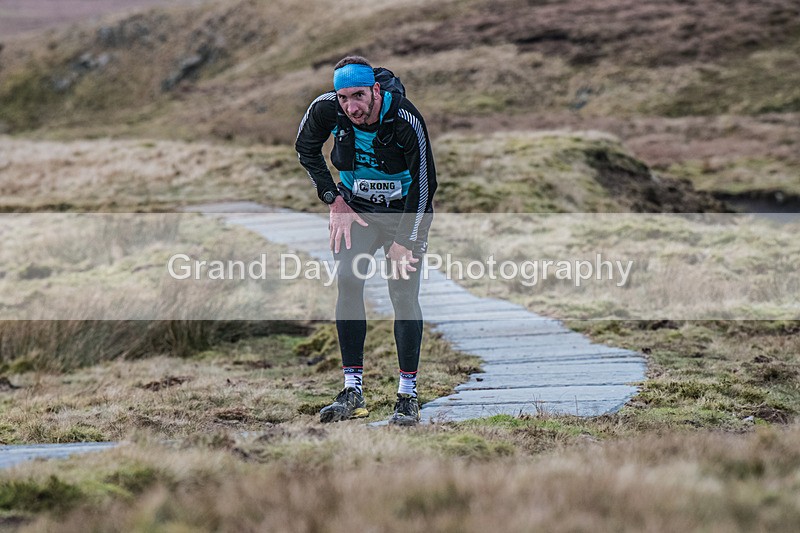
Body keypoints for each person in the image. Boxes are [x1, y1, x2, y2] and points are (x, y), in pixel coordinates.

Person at [295, 55, 437, 426]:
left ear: (375, 89)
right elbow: (305, 148)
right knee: (347, 279)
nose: (351, 107)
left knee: (402, 294)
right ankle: (352, 390)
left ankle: (407, 396)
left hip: (404, 211)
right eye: (344, 98)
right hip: (356, 209)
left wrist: (405, 239)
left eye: (358, 95)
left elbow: (426, 184)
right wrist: (333, 198)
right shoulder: (326, 109)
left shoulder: (404, 118)